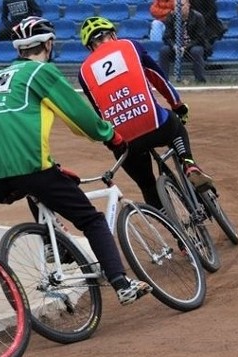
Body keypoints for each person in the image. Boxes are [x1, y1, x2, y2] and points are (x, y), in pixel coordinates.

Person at [0, 16, 152, 307]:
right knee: (92, 219)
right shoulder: (41, 72)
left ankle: (50, 242)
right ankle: (121, 283)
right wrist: (112, 137)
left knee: (39, 187)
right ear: (48, 43)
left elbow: (12, 127)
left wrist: (52, 164)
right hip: (27, 165)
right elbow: (79, 117)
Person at [77, 16, 213, 211]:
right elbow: (159, 78)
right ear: (113, 35)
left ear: (90, 46)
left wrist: (111, 139)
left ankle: (173, 228)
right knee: (175, 124)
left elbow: (100, 112)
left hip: (124, 141)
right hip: (156, 124)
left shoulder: (83, 71)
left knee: (147, 185)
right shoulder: (130, 45)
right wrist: (178, 105)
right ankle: (189, 164)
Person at [158, 0, 210, 83]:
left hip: (192, 45)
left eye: (181, 6)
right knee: (164, 50)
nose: (178, 8)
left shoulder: (197, 17)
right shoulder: (171, 17)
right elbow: (166, 37)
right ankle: (163, 81)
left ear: (188, 5)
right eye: (176, 6)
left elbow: (200, 38)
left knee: (196, 51)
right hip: (176, 47)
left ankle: (200, 80)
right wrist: (174, 46)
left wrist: (186, 47)